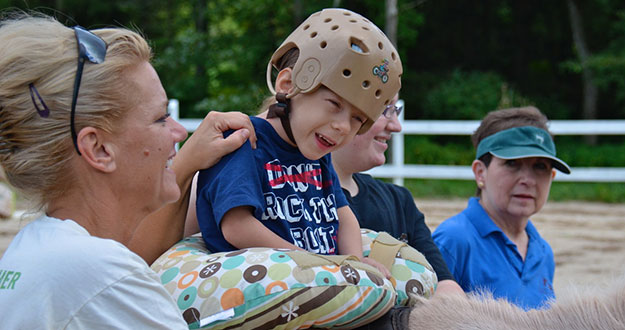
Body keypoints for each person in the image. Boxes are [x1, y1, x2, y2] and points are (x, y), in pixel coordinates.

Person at [0, 13, 256, 328]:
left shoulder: (37, 248)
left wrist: (188, 163)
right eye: (161, 118)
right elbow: (115, 273)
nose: (179, 132)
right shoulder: (98, 273)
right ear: (98, 149)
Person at [195, 8, 401, 276]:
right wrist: (314, 263)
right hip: (266, 287)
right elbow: (236, 226)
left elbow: (343, 214)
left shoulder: (317, 155)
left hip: (318, 282)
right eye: (334, 104)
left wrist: (352, 262)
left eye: (357, 119)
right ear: (288, 84)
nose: (342, 126)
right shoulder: (245, 141)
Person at [432, 106, 571, 310]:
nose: (528, 180)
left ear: (552, 178)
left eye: (540, 166)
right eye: (512, 163)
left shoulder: (542, 252)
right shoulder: (454, 241)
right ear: (480, 172)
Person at [331, 94, 465, 296]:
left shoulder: (399, 201)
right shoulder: (296, 198)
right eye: (385, 108)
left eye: (396, 110)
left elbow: (445, 285)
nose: (396, 126)